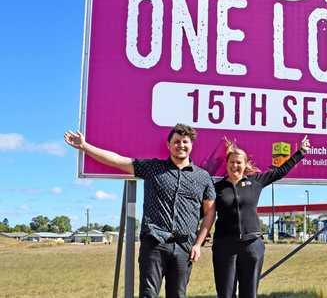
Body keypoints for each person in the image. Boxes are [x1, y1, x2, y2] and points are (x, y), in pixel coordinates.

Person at [64, 124, 216, 298]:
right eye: (176, 141)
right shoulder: (152, 168)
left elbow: (210, 212)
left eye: (185, 142)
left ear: (191, 145)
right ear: (168, 145)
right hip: (154, 243)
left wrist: (197, 244)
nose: (180, 145)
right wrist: (84, 146)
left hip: (184, 247)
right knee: (148, 295)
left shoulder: (203, 177)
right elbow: (118, 160)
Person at [212, 135, 310, 298]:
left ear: (244, 165)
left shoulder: (255, 181)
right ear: (227, 164)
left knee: (249, 294)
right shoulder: (216, 188)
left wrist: (300, 152)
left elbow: (280, 172)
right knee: (225, 294)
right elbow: (205, 214)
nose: (235, 165)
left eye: (239, 162)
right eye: (232, 162)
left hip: (252, 246)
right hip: (224, 247)